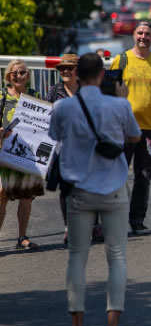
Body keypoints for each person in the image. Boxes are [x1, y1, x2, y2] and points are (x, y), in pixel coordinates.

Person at [49, 53, 141, 326]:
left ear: (76, 75)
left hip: (79, 190)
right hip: (113, 188)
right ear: (103, 75)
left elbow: (55, 136)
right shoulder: (119, 104)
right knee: (117, 258)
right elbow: (135, 137)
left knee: (77, 257)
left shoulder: (63, 107)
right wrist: (122, 98)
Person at [110, 21, 151, 234]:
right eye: (140, 32)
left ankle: (137, 220)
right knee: (117, 175)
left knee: (144, 176)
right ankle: (114, 219)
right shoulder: (122, 59)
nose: (143, 36)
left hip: (150, 129)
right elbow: (111, 91)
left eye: (148, 33)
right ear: (134, 35)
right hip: (123, 128)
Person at [45, 53, 102, 246]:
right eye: (62, 68)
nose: (66, 71)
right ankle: (69, 228)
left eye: (70, 67)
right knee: (66, 190)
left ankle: (94, 225)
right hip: (63, 150)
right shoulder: (54, 91)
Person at [0, 60, 44, 249]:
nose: (17, 75)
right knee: (1, 194)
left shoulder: (35, 96)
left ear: (28, 75)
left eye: (21, 72)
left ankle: (22, 238)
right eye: (14, 73)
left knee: (26, 196)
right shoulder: (2, 96)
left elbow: (44, 123)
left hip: (28, 155)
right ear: (8, 76)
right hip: (5, 153)